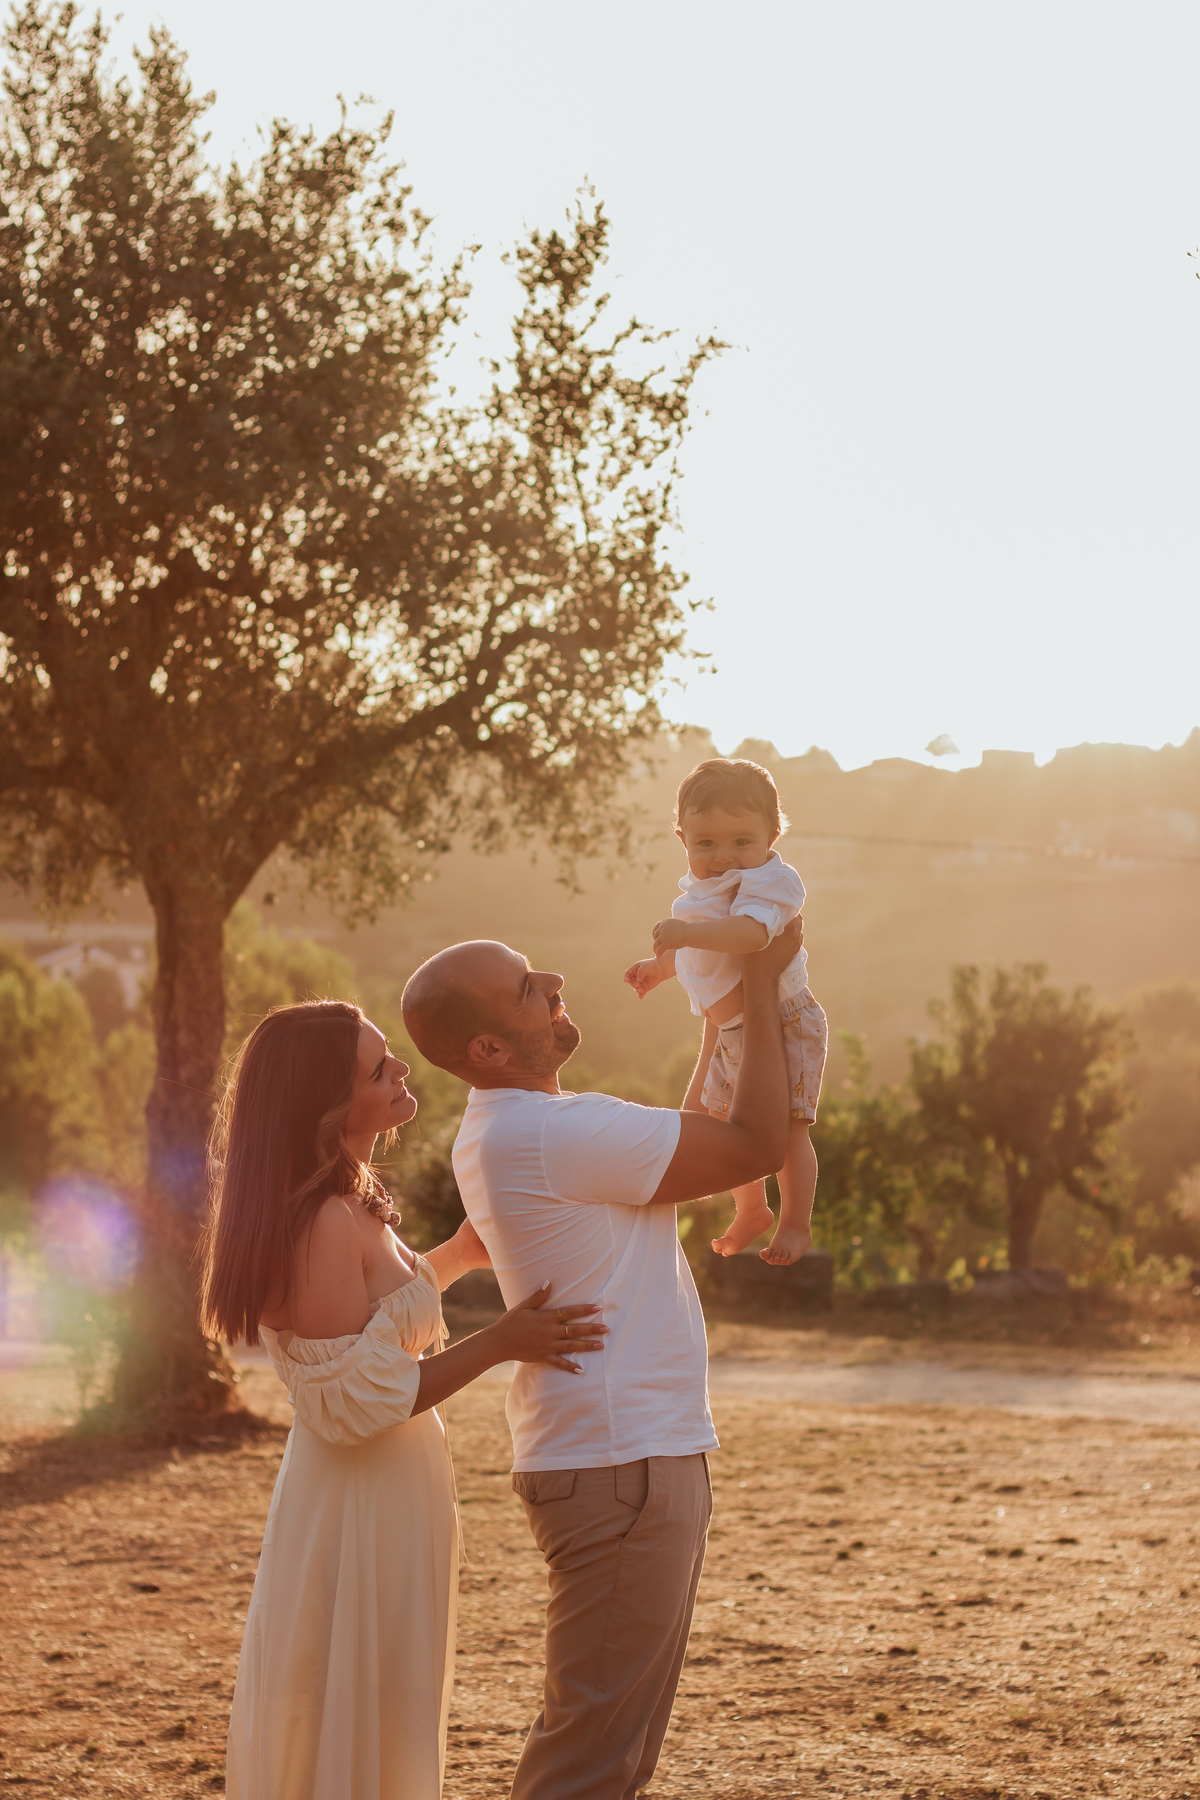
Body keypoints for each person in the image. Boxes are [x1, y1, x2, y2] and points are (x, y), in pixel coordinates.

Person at [401, 921, 801, 1800]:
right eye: (524, 986)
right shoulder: (554, 1131)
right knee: (588, 1763)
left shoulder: (519, 1128)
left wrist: (720, 1017)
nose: (551, 976)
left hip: (620, 1459)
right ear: (490, 1045)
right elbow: (753, 1146)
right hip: (624, 1468)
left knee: (607, 1753)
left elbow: (703, 1132)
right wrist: (766, 987)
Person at [199, 999, 606, 1800]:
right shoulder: (319, 1222)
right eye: (377, 1068)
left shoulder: (351, 1200)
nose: (402, 1070)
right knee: (354, 1697)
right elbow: (352, 1406)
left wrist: (460, 1251)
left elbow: (377, 1323)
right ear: (326, 1107)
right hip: (357, 1501)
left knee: (391, 1693)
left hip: (396, 1488)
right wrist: (503, 1341)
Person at [624, 756, 829, 1265]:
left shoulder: (769, 883)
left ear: (772, 836)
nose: (724, 857)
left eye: (741, 841)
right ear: (683, 840)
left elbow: (750, 936)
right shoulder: (702, 889)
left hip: (783, 1024)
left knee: (787, 1131)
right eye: (706, 844)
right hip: (733, 1030)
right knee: (729, 1127)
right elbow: (704, 954)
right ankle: (753, 1208)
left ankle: (796, 1223)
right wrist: (661, 966)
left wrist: (686, 935)